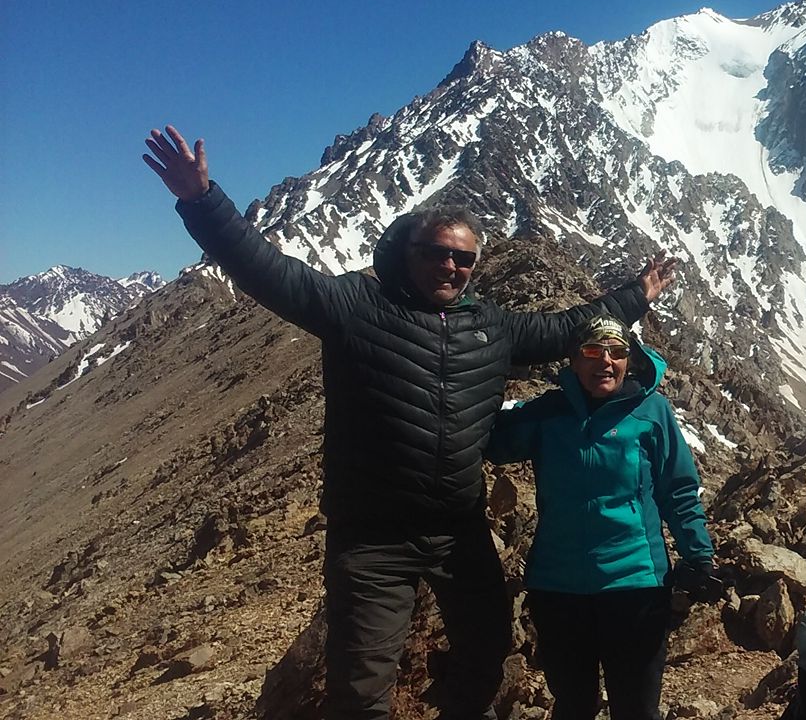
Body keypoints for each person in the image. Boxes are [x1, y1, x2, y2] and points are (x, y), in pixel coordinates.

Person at [142, 126, 679, 720]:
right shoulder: (356, 306)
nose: (451, 266)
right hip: (374, 537)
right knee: (364, 684)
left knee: (487, 650)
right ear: (406, 252)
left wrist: (636, 296)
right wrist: (201, 201)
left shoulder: (492, 326)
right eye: (437, 253)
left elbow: (566, 329)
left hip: (459, 531)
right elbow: (268, 271)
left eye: (464, 258)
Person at [486, 314, 718, 720]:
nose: (605, 362)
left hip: (636, 585)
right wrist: (479, 374)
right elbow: (492, 442)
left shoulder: (652, 411)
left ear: (630, 360)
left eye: (617, 352)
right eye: (593, 351)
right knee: (574, 704)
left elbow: (677, 488)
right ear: (574, 360)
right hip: (558, 588)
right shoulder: (547, 413)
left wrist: (699, 555)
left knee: (636, 708)